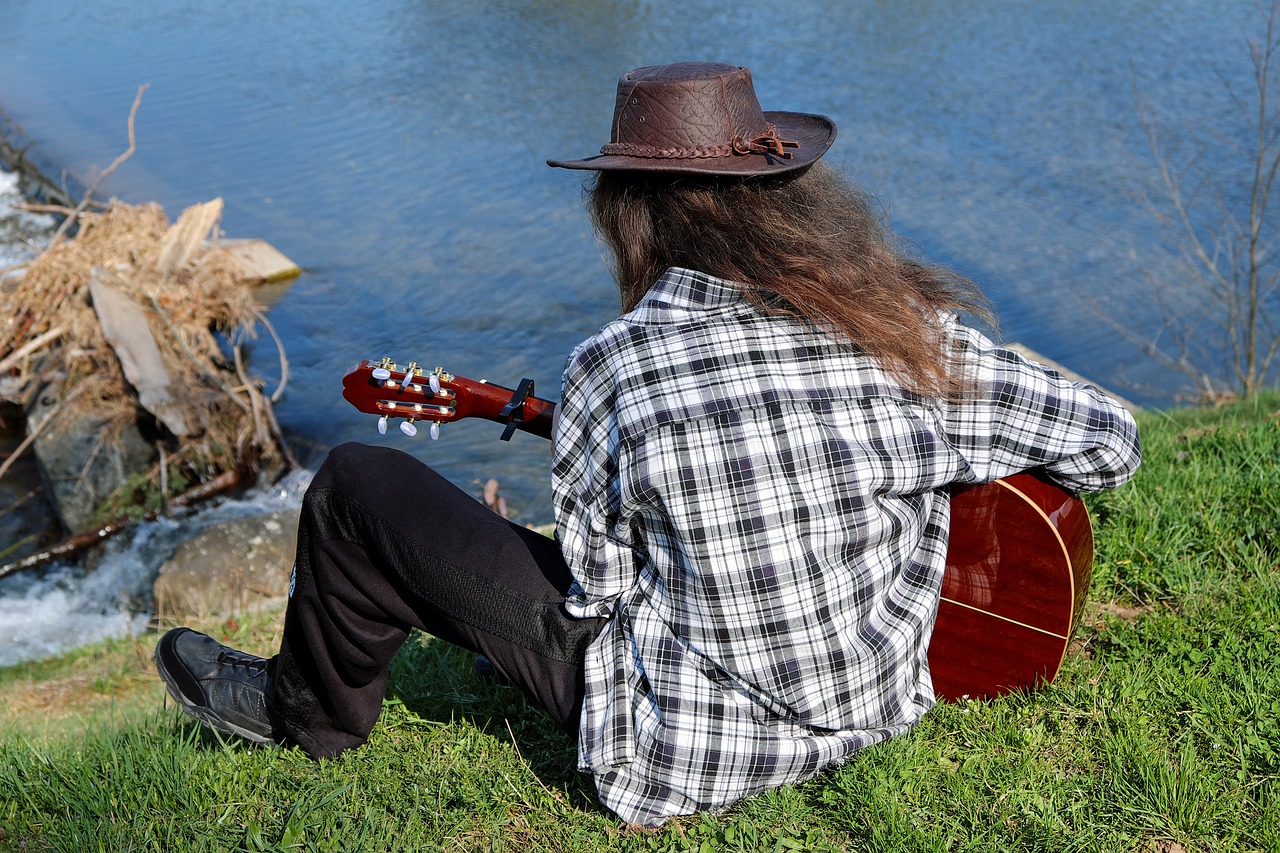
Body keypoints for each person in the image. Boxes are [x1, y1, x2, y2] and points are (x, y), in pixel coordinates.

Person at [155, 61, 1141, 827]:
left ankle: (301, 714)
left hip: (687, 756)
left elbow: (599, 592)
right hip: (877, 704)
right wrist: (930, 493)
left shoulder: (617, 367)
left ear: (628, 215)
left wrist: (511, 558)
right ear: (795, 198)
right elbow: (1110, 440)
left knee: (356, 481)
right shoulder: (907, 338)